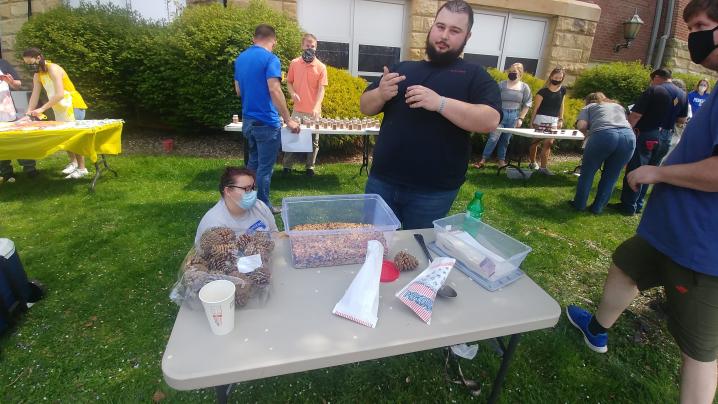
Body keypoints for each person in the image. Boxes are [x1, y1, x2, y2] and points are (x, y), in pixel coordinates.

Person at [567, 2, 718, 402]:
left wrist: (659, 172)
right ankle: (597, 329)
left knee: (698, 351)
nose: (695, 38)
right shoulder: (709, 90)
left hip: (702, 248)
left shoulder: (653, 91)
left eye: (702, 26)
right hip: (667, 228)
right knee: (625, 264)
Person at [360, 0, 501, 230]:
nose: (444, 35)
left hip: (434, 191)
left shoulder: (474, 75)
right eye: (440, 26)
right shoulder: (402, 68)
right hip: (382, 181)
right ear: (432, 27)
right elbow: (365, 106)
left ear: (467, 36)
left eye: (455, 31)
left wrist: (440, 103)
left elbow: (490, 120)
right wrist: (381, 93)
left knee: (419, 252)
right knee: (374, 246)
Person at [234, 24, 300, 214]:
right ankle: (263, 207)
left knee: (252, 164)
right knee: (264, 168)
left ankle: (247, 203)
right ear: (274, 41)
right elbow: (274, 89)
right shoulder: (271, 59)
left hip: (248, 121)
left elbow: (238, 91)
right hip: (266, 123)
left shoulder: (240, 59)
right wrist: (288, 119)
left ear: (254, 39)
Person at [608, 68, 673, 216]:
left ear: (656, 77)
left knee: (636, 168)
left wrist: (628, 130)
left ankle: (628, 205)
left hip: (646, 134)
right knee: (650, 169)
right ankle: (639, 204)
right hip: (663, 136)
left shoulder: (653, 91)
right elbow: (681, 119)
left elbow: (636, 115)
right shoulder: (681, 94)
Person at [22, 48, 88, 179]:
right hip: (59, 107)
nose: (30, 66)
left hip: (72, 105)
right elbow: (35, 94)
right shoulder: (38, 75)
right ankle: (73, 163)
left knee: (74, 137)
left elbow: (60, 94)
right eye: (27, 64)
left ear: (39, 58)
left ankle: (82, 168)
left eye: (31, 63)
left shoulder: (53, 68)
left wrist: (41, 109)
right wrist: (28, 112)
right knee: (65, 137)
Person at [569, 93, 635, 214]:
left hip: (604, 135)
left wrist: (586, 135)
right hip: (628, 137)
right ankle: (597, 208)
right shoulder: (617, 106)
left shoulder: (588, 107)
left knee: (587, 172)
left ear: (588, 101)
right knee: (612, 175)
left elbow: (582, 125)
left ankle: (579, 204)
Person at [194, 166, 278, 247]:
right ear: (228, 191)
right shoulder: (214, 223)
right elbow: (218, 257)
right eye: (246, 189)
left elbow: (274, 233)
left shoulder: (259, 206)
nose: (252, 193)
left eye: (253, 188)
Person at [282, 33, 328, 177]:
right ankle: (287, 167)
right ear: (302, 46)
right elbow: (289, 82)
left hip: (314, 112)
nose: (310, 48)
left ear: (316, 47)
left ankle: (310, 167)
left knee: (314, 142)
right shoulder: (294, 63)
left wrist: (316, 106)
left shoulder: (321, 67)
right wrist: (292, 93)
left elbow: (322, 89)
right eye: (307, 45)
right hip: (297, 110)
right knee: (291, 138)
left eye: (312, 46)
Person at [473, 63, 532, 169]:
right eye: (510, 71)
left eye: (514, 72)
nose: (512, 73)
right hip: (500, 114)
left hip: (514, 116)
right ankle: (483, 160)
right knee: (493, 138)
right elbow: (493, 98)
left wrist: (521, 118)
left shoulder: (524, 87)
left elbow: (527, 104)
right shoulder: (501, 85)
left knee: (505, 140)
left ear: (520, 73)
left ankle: (501, 161)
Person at [0, 57, 37, 182]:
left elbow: (17, 84)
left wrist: (12, 82)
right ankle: (6, 172)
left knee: (20, 141)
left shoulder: (3, 63)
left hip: (8, 113)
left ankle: (30, 169)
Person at [528, 67, 566, 175]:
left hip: (553, 120)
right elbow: (535, 108)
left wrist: (561, 119)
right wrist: (532, 121)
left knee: (548, 143)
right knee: (535, 142)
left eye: (560, 78)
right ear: (551, 76)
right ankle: (532, 162)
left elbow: (561, 106)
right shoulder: (542, 92)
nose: (557, 79)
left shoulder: (563, 90)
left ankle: (544, 168)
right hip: (540, 119)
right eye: (556, 77)